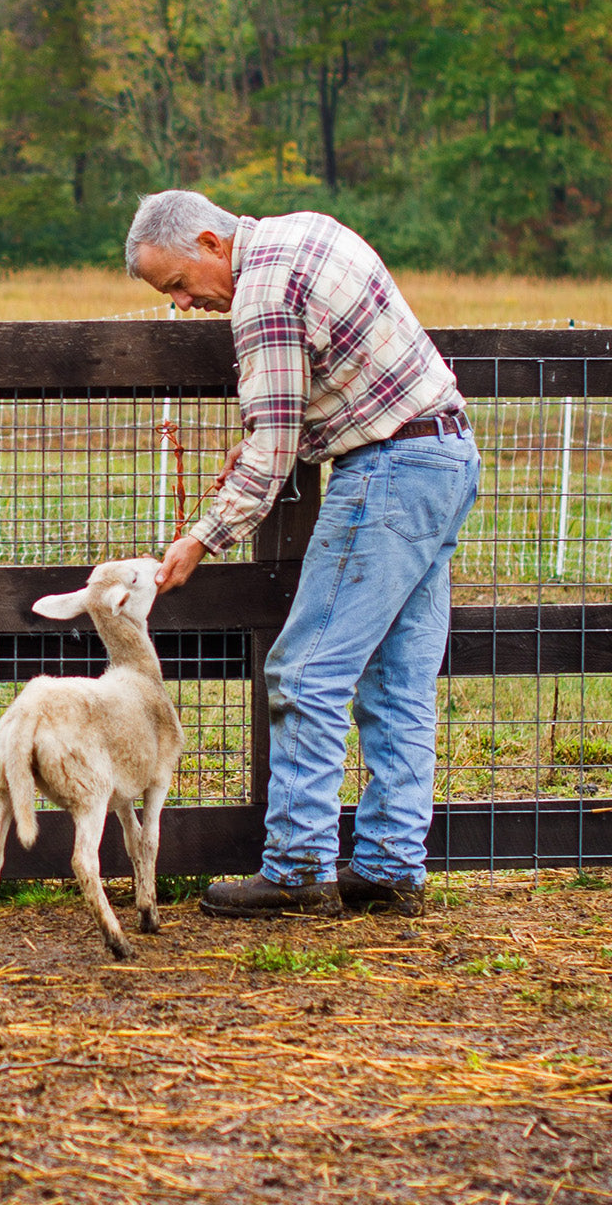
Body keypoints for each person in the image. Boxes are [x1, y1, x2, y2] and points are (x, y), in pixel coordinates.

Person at [125, 190, 480, 918]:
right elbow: (326, 396)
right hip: (445, 455)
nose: (186, 304)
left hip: (389, 473)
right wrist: (268, 443)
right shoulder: (306, 234)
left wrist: (201, 537)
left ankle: (297, 869)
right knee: (398, 681)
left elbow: (274, 443)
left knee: (305, 671)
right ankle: (389, 865)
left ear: (208, 243)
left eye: (180, 285)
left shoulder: (260, 293)